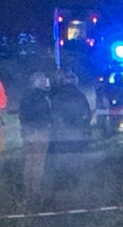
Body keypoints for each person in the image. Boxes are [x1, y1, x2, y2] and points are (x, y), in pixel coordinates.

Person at [17, 71, 53, 199]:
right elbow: (44, 115)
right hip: (39, 133)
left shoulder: (25, 96)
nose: (45, 83)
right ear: (38, 82)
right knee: (38, 162)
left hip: (27, 132)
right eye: (43, 80)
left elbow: (22, 115)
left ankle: (27, 189)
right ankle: (35, 190)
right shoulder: (42, 97)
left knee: (29, 161)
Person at [50, 69, 92, 152]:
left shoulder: (57, 96)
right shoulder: (80, 95)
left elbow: (55, 114)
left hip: (63, 136)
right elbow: (87, 113)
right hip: (79, 133)